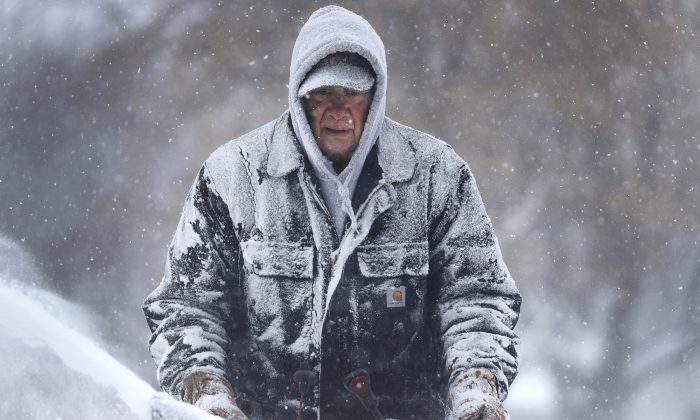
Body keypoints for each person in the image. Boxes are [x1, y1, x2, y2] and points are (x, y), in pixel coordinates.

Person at [143, 5, 521, 420]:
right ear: (300, 96)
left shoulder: (438, 176)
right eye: (324, 95)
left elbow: (477, 299)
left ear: (375, 96)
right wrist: (206, 392)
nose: (339, 111)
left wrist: (475, 386)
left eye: (353, 94)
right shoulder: (234, 177)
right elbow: (188, 305)